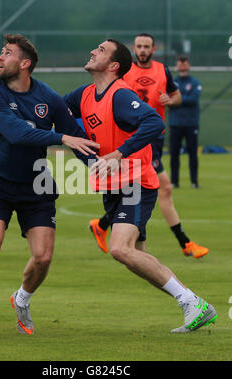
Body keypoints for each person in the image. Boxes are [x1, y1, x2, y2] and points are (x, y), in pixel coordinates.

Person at [64, 38, 216, 333]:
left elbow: (154, 124)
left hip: (135, 182)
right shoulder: (83, 94)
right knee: (136, 258)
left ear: (113, 65)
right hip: (112, 186)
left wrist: (119, 153)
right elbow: (55, 111)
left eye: (101, 50)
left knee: (120, 249)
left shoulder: (120, 95)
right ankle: (194, 304)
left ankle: (192, 302)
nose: (93, 50)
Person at [0, 34, 99, 336]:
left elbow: (76, 137)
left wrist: (101, 168)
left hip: (36, 185)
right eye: (1, 52)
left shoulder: (48, 98)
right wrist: (60, 138)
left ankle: (21, 299)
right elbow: (17, 134)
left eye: (6, 53)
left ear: (24, 64)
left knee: (43, 256)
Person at [89, 33, 208, 259]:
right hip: (136, 143)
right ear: (134, 49)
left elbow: (177, 96)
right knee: (162, 187)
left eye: (147, 46)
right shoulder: (123, 73)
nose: (142, 50)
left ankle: (104, 225)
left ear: (153, 50)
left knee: (145, 188)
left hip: (155, 138)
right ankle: (185, 242)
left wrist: (170, 101)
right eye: (139, 46)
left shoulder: (162, 71)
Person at [169, 55, 202, 188]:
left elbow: (193, 99)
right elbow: (169, 100)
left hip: (191, 123)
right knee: (174, 153)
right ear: (177, 65)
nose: (182, 65)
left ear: (188, 65)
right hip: (175, 123)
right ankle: (174, 181)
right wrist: (177, 100)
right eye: (180, 63)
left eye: (185, 63)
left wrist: (177, 99)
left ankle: (194, 182)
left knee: (193, 153)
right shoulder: (172, 82)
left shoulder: (195, 82)